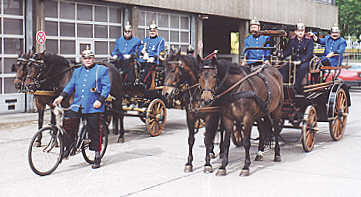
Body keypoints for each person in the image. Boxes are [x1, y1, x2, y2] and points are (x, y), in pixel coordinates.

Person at [53, 48, 111, 169]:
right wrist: (61, 96)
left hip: (93, 105)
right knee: (68, 123)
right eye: (85, 58)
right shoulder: (77, 71)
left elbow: (106, 87)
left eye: (90, 58)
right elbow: (71, 85)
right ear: (82, 59)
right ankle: (69, 147)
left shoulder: (102, 70)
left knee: (94, 129)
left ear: (93, 58)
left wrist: (100, 100)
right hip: (78, 104)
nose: (88, 60)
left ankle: (97, 155)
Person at [280, 23, 314, 94]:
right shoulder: (292, 40)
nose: (300, 32)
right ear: (295, 32)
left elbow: (309, 54)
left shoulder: (309, 40)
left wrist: (301, 61)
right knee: (283, 67)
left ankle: (296, 87)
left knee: (301, 68)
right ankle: (284, 87)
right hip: (294, 60)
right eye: (299, 31)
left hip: (305, 61)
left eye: (302, 31)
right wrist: (282, 55)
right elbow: (288, 51)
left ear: (304, 31)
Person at [138, 22, 165, 89]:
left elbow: (160, 51)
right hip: (144, 59)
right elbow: (140, 50)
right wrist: (142, 52)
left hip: (154, 60)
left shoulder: (160, 40)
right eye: (151, 31)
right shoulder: (145, 40)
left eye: (154, 31)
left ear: (156, 31)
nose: (152, 32)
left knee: (149, 65)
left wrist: (152, 56)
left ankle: (142, 82)